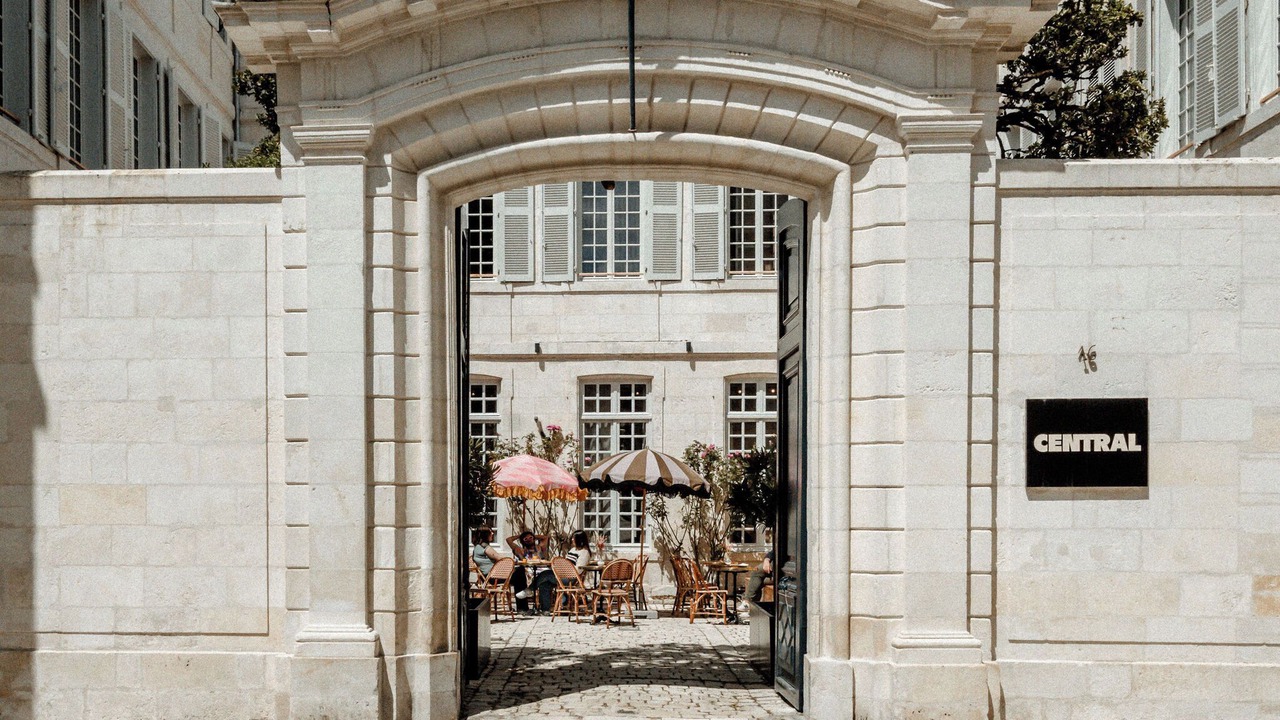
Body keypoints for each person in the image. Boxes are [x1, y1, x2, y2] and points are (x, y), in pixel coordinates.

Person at [505, 530, 547, 612]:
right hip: (528, 570)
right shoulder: (520, 550)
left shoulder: (539, 548)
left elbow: (545, 538)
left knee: (545, 575)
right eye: (526, 539)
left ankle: (542, 605)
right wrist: (520, 535)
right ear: (522, 541)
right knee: (522, 574)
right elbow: (509, 540)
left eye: (530, 538)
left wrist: (533, 536)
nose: (529, 539)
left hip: (541, 568)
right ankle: (527, 602)